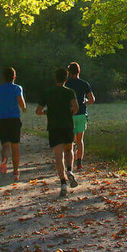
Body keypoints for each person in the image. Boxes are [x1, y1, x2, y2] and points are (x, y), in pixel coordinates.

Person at [35, 67, 79, 197]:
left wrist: (46, 112)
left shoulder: (48, 93)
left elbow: (38, 111)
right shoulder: (70, 92)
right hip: (67, 125)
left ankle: (63, 183)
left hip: (54, 126)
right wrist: (70, 112)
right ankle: (70, 170)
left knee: (58, 155)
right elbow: (76, 107)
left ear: (55, 78)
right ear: (66, 79)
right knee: (69, 149)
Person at [0, 68, 26, 180]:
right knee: (15, 147)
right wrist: (24, 107)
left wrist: (1, 106)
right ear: (14, 77)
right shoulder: (17, 88)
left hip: (2, 120)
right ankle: (15, 172)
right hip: (14, 119)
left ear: (4, 77)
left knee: (5, 145)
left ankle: (4, 161)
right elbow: (21, 101)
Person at [63, 61, 96, 173]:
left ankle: (69, 165)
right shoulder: (84, 84)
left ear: (68, 72)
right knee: (80, 140)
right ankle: (79, 164)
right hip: (81, 114)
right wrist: (85, 101)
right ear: (79, 71)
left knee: (70, 141)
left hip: (69, 115)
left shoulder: (66, 84)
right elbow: (92, 99)